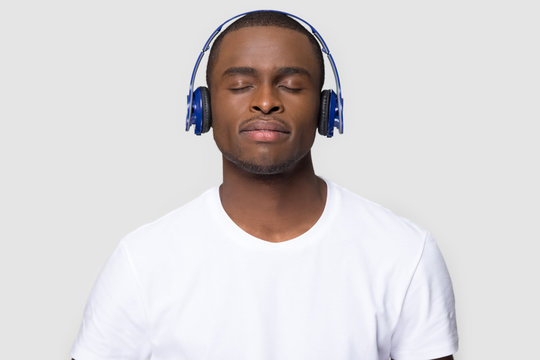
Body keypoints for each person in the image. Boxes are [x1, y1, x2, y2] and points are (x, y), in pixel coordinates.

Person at [71, 10, 458, 360]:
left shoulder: (404, 253)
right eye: (240, 85)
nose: (266, 102)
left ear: (327, 111)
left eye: (290, 85)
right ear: (202, 107)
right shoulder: (142, 262)